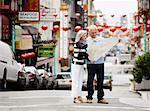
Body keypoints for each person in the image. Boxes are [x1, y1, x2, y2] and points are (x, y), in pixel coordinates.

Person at [86, 25, 108, 104]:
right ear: (89, 32)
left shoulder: (101, 39)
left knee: (100, 80)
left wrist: (101, 54)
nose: (94, 34)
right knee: (90, 80)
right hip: (90, 63)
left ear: (97, 32)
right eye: (92, 32)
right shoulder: (86, 40)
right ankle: (89, 97)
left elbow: (105, 49)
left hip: (100, 62)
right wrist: (89, 58)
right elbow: (85, 51)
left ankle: (100, 97)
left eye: (95, 32)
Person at [71, 30, 88, 103]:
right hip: (76, 64)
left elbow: (85, 54)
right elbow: (82, 48)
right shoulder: (78, 44)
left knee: (80, 81)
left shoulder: (83, 44)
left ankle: (79, 96)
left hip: (81, 65)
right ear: (80, 36)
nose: (86, 37)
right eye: (85, 35)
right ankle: (75, 97)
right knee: (76, 81)